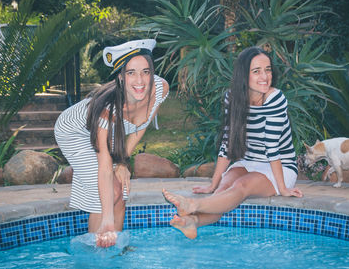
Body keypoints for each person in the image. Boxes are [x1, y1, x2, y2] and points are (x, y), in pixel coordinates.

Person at [163, 46, 303, 239]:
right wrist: (213, 184)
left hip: (280, 167)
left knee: (241, 187)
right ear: (243, 75)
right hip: (248, 162)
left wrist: (283, 188)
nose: (265, 76)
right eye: (257, 71)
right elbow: (228, 143)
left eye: (268, 69)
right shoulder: (232, 97)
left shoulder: (275, 99)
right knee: (223, 189)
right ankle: (193, 222)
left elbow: (272, 147)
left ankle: (193, 206)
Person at [55, 39, 169, 247]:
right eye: (131, 73)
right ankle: (94, 252)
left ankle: (114, 247)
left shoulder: (160, 88)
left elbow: (141, 125)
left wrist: (123, 162)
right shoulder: (108, 110)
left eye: (145, 71)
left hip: (107, 133)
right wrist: (107, 218)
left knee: (121, 190)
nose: (140, 81)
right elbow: (105, 166)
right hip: (73, 132)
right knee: (108, 193)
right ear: (120, 78)